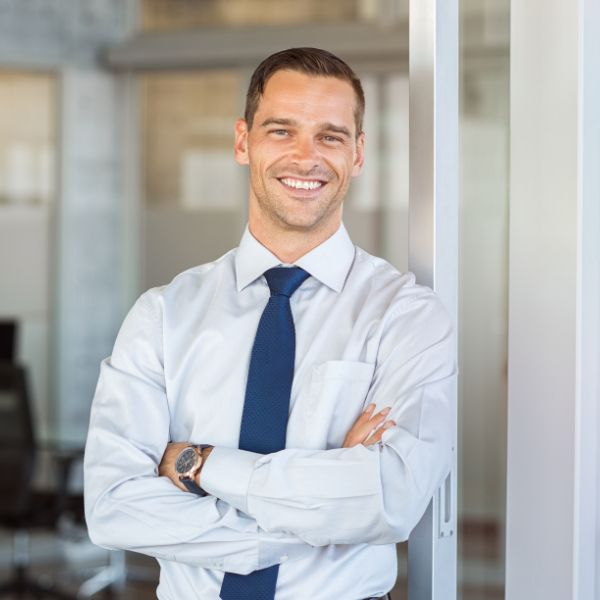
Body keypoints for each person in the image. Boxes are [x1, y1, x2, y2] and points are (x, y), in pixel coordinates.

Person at [84, 47, 455, 600]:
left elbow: (389, 501)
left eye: (330, 136)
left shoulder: (405, 316)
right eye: (282, 131)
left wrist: (200, 465)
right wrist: (323, 505)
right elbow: (114, 507)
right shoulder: (164, 314)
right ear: (243, 142)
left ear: (358, 154)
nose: (306, 157)